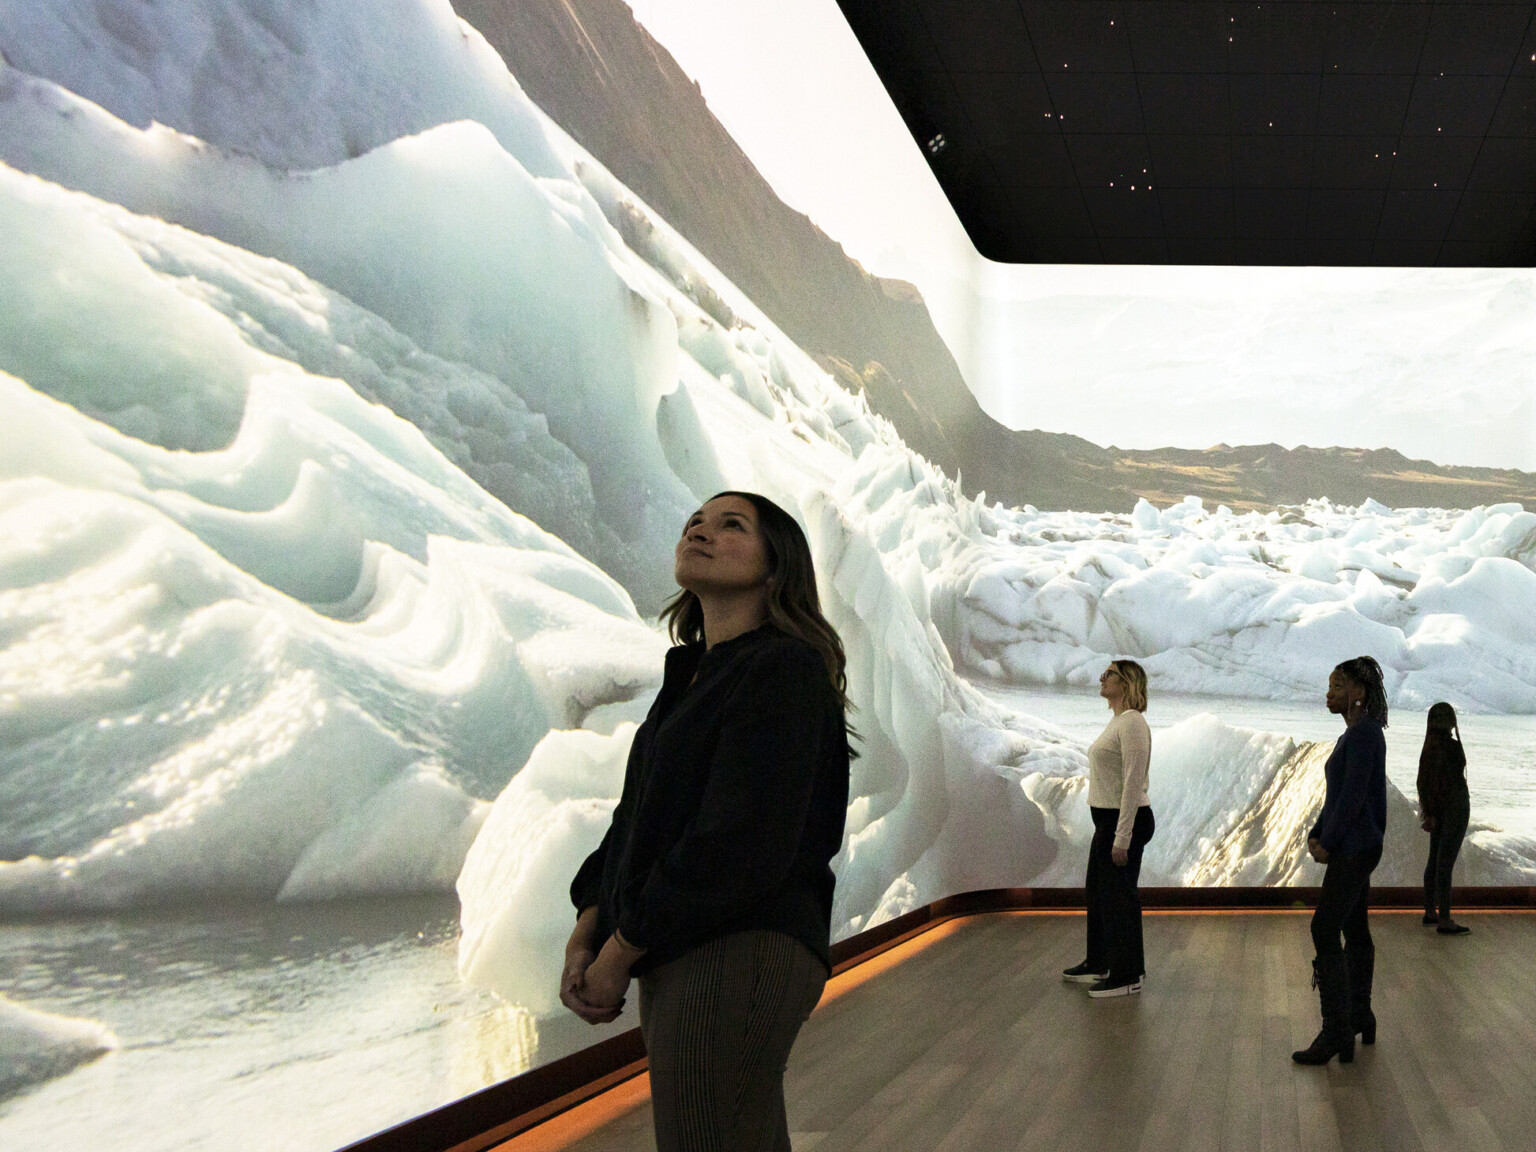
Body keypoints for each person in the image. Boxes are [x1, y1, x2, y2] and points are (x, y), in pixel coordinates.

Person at [560, 491, 853, 1152]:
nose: (701, 529)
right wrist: (591, 924)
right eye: (696, 519)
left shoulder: (782, 668)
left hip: (738, 944)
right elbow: (639, 820)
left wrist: (618, 950)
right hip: (690, 946)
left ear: (776, 570)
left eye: (732, 525)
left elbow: (739, 844)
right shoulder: (693, 675)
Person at [1293, 655, 1388, 1066]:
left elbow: (1351, 800)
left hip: (1354, 848)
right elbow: (1340, 797)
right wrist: (1319, 831)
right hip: (1356, 845)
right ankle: (1359, 1015)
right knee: (1355, 927)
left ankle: (1335, 1030)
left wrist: (1327, 842)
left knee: (1323, 927)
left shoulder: (1363, 735)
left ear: (1358, 692)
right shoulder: (1357, 734)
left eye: (1337, 686)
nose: (1329, 693)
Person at [1062, 659, 1155, 998]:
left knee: (1119, 898)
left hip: (1123, 820)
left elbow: (1132, 783)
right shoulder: (1117, 721)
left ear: (1127, 682)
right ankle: (1100, 961)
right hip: (1108, 820)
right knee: (1100, 894)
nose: (1101, 678)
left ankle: (1128, 974)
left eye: (1109, 673)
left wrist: (1122, 835)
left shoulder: (1132, 723)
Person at [1418, 702, 1472, 935]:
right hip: (1456, 807)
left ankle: (1431, 911)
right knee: (1445, 863)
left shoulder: (1428, 748)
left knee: (1434, 860)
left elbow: (1422, 782)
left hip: (1437, 808)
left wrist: (1428, 812)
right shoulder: (1452, 747)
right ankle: (1445, 919)